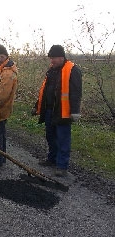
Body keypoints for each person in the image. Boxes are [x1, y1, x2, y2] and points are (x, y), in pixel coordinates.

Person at [32, 44, 82, 177]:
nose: (51, 61)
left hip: (63, 111)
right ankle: (52, 159)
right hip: (49, 110)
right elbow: (45, 90)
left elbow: (76, 93)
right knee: (50, 136)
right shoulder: (52, 70)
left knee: (63, 139)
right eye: (50, 58)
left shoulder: (72, 70)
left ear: (61, 57)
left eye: (53, 58)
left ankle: (62, 166)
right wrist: (37, 106)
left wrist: (75, 111)